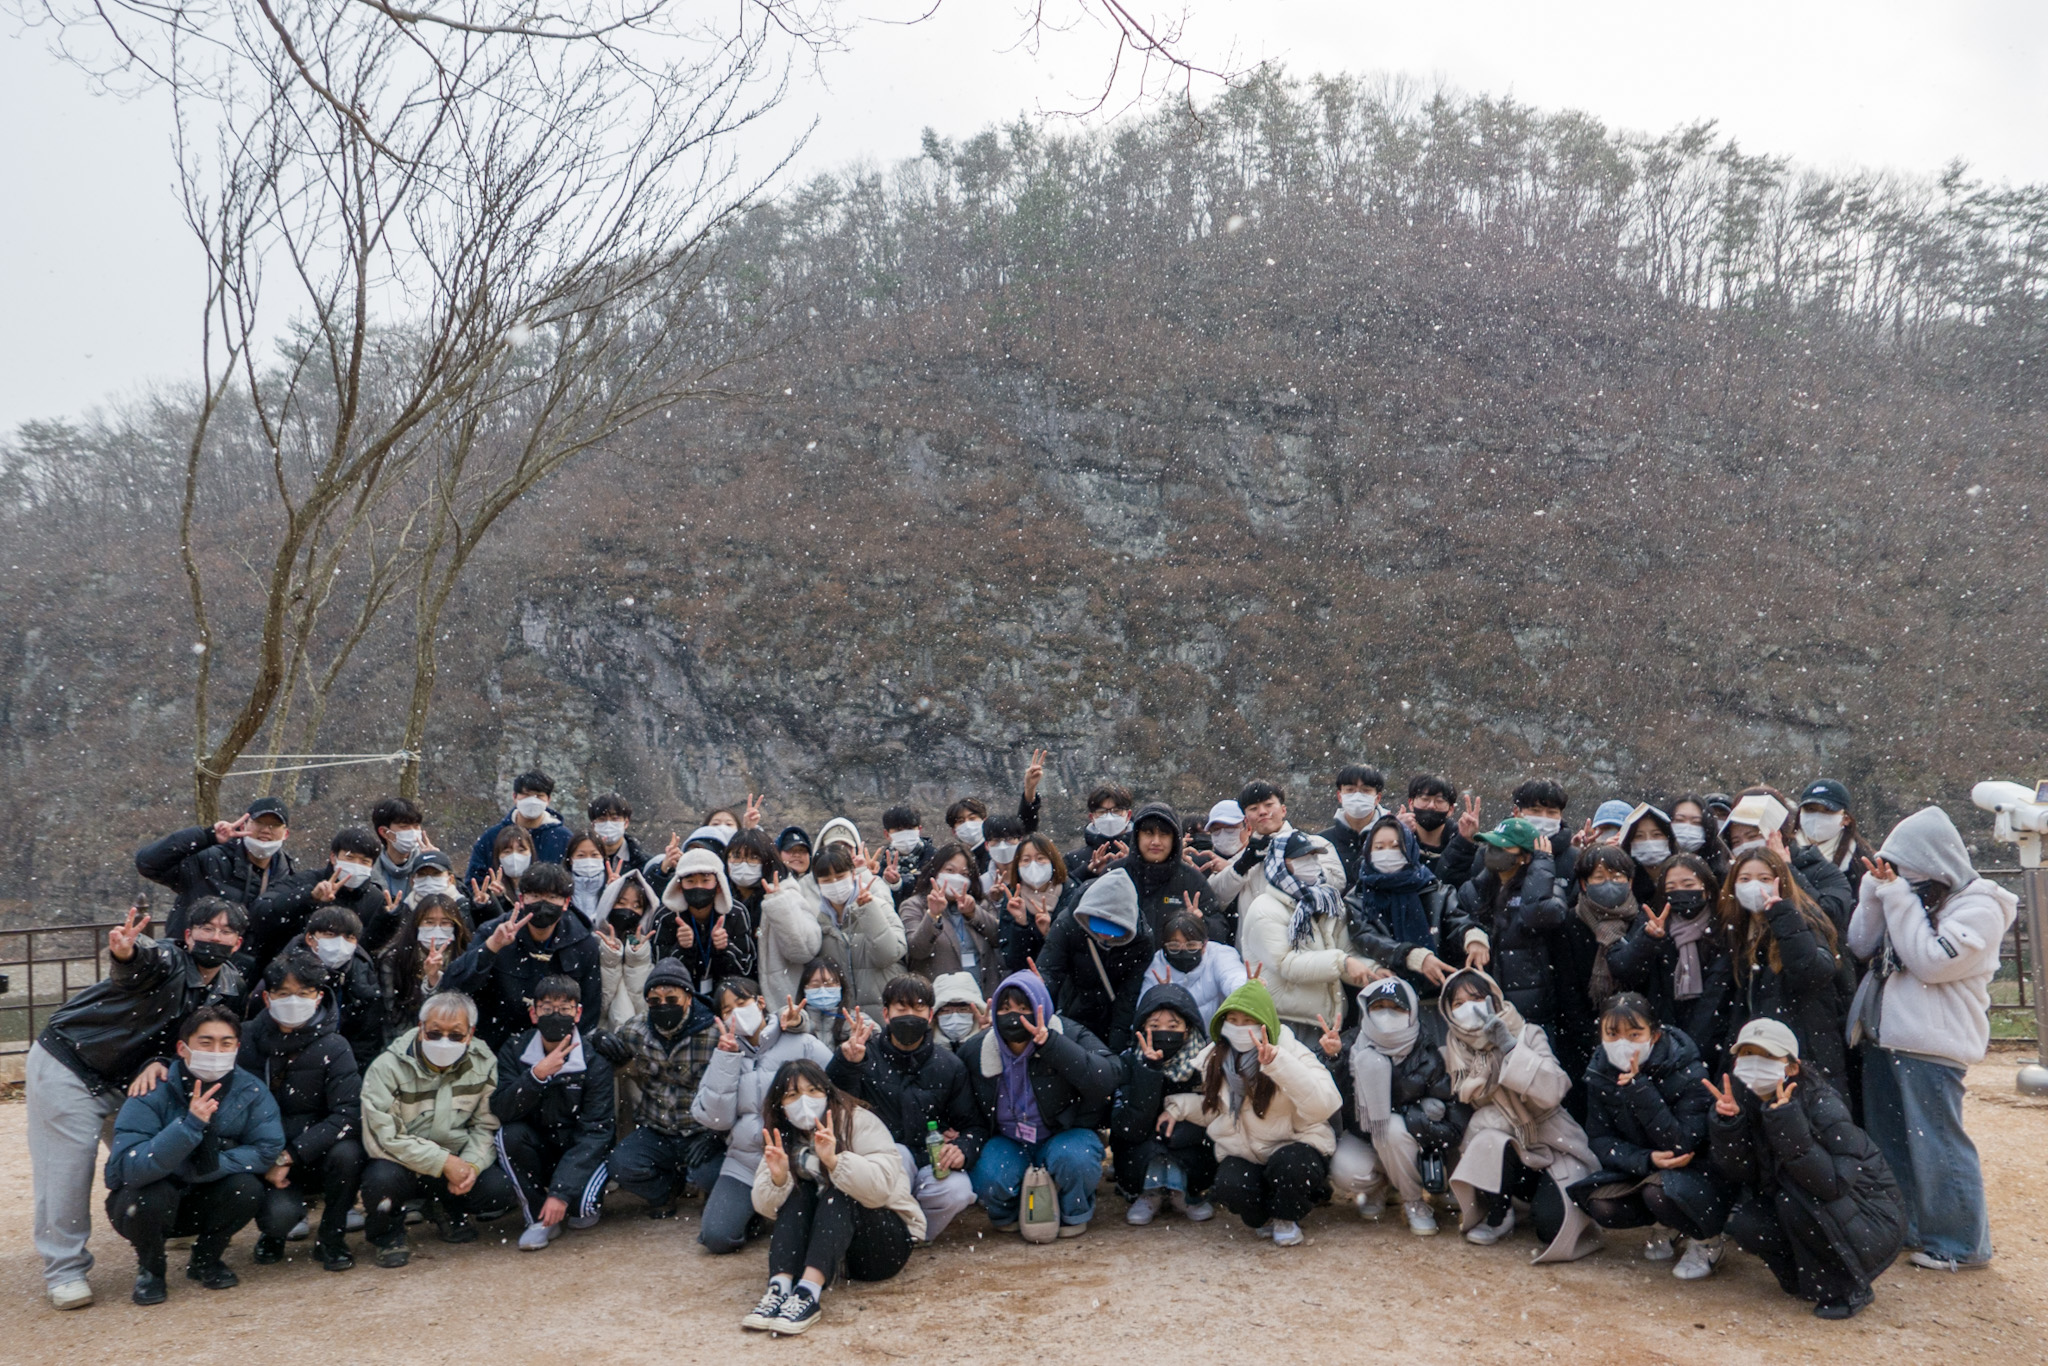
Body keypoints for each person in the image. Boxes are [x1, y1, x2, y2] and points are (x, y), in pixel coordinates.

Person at [27, 896, 248, 1309]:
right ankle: (65, 1270)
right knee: (68, 1168)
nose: (215, 937)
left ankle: (163, 1222)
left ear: (237, 943)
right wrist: (125, 952)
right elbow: (141, 962)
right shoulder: (168, 959)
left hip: (135, 1077)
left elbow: (194, 1038)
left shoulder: (230, 986)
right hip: (74, 1063)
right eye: (207, 928)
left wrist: (159, 1060)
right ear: (188, 935)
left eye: (225, 931)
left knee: (153, 1151)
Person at [1848, 806, 2014, 1272]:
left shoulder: (1980, 906)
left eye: (1904, 865)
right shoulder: (1908, 894)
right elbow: (1860, 945)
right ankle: (1908, 1226)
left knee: (1938, 1145)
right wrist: (1873, 893)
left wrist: (1897, 897)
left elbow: (1931, 962)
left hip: (1934, 1043)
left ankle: (1961, 1244)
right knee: (1891, 1142)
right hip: (1884, 1035)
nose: (1896, 873)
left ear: (1931, 861)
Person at [1708, 1017, 1904, 1318]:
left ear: (1791, 1067)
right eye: (1746, 1054)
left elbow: (1833, 1184)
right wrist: (1729, 1125)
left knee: (1794, 1201)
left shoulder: (1822, 1103)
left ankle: (1849, 1286)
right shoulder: (1744, 1099)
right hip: (1811, 1201)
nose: (1755, 1063)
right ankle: (1803, 1280)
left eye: (1767, 1055)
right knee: (1749, 1222)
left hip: (1870, 1216)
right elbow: (1741, 1173)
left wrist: (1786, 1121)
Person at [103, 1005, 284, 1304]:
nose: (216, 1052)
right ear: (182, 1048)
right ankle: (151, 1268)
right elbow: (129, 1166)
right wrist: (188, 1127)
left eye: (226, 1043)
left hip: (207, 1192)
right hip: (152, 1198)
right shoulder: (151, 1088)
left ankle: (206, 1259)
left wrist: (208, 1165)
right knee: (148, 1196)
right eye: (206, 1043)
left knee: (247, 1188)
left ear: (237, 1048)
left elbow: (266, 1149)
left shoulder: (250, 1089)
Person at [742, 1060, 924, 1336]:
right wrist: (778, 1179)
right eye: (792, 1095)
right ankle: (779, 1287)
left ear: (827, 1092)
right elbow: (766, 1208)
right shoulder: (783, 1136)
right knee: (795, 1190)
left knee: (840, 1190)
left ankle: (808, 1293)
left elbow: (880, 1191)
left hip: (879, 1247)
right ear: (780, 1105)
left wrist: (835, 1162)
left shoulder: (858, 1121)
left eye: (813, 1090)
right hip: (824, 1249)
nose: (804, 1100)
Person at [1439, 968, 1603, 1262]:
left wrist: (1510, 1047)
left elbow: (1555, 1089)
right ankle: (1500, 1212)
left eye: (1476, 998)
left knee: (1551, 1226)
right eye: (1458, 1003)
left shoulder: (1528, 1033)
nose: (1468, 1009)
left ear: (1493, 998)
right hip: (1513, 1151)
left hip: (1553, 1141)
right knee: (1485, 1128)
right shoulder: (1457, 1049)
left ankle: (1539, 1202)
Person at [1161, 980, 1341, 1247]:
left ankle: (1287, 1215)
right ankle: (1265, 1216)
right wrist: (1179, 1107)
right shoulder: (1217, 1059)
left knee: (1291, 1167)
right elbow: (1218, 1111)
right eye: (1232, 1020)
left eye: (1248, 1020)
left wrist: (1278, 1064)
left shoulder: (1292, 1051)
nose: (1239, 1027)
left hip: (1295, 1144)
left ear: (1264, 1023)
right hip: (1246, 1150)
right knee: (1229, 1185)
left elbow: (1324, 1105)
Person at [1566, 993, 1733, 1280]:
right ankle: (1666, 1225)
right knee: (1602, 1205)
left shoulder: (1687, 1069)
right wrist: (1646, 1159)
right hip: (1645, 1167)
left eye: (1634, 1034)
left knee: (1660, 1194)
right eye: (1612, 1034)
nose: (1623, 1043)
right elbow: (1600, 1139)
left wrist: (1639, 1088)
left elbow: (1681, 1144)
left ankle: (1707, 1241)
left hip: (1695, 1171)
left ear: (1654, 1035)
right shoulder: (1600, 1072)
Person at [358, 990, 516, 1267]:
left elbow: (486, 1124)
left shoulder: (483, 1062)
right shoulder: (386, 1067)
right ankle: (388, 1234)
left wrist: (471, 1165)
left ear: (470, 1034)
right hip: (402, 1161)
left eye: (455, 1035)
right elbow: (383, 1137)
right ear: (420, 1028)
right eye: (434, 1033)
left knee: (497, 1188)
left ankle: (447, 1208)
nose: (444, 1042)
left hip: (455, 1158)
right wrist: (442, 1162)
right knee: (381, 1180)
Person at [963, 970, 1120, 1237]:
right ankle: (1010, 1211)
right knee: (989, 1172)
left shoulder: (1068, 1033)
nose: (1014, 1017)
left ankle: (1073, 1211)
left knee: (1076, 1160)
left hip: (1063, 1134)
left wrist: (1051, 1045)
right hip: (1008, 1140)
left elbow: (1107, 1076)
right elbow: (956, 1094)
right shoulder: (977, 1048)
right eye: (1005, 1009)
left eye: (1024, 1008)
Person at [827, 975, 984, 1240]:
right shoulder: (864, 1054)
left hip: (929, 1157)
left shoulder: (949, 1065)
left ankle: (914, 1236)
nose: (910, 1016)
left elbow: (973, 1126)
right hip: (881, 1157)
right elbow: (838, 1105)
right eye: (901, 1008)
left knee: (957, 1190)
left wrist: (963, 1149)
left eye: (918, 1008)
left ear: (930, 1015)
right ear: (886, 1014)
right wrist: (847, 1063)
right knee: (898, 1157)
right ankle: (888, 1234)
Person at [240, 947, 364, 1271]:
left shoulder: (335, 1046)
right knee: (279, 1217)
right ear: (267, 998)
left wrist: (292, 1155)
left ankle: (332, 1236)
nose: (293, 1001)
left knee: (349, 1153)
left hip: (314, 1151)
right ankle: (272, 1234)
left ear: (318, 996)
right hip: (265, 1153)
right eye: (284, 993)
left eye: (303, 993)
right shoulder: (244, 1039)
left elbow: (348, 1114)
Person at [693, 976, 835, 1251]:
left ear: (760, 1002)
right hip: (745, 1160)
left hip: (797, 1155)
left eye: (741, 1002)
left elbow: (835, 1086)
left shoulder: (801, 1042)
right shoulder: (723, 1053)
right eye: (727, 1009)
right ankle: (754, 1217)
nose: (736, 1012)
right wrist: (727, 1060)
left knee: (813, 1230)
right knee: (716, 1237)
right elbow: (717, 1120)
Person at [1329, 978, 1464, 1236]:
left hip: (1411, 1144)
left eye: (1397, 1007)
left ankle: (1414, 1202)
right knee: (1345, 1169)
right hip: (1364, 1138)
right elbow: (1330, 1095)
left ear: (1411, 1012)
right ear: (1366, 1009)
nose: (1387, 1014)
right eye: (1379, 1007)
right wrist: (1332, 1058)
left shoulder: (1426, 1051)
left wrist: (1411, 1116)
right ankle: (1380, 1185)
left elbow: (1452, 1122)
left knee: (1391, 1128)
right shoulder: (1349, 1043)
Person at [491, 974, 617, 1250]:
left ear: (578, 1013)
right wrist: (536, 1076)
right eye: (547, 1009)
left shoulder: (594, 1060)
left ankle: (565, 1198)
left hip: (577, 1148)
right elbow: (501, 1108)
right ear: (533, 1013)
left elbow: (596, 1132)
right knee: (507, 1135)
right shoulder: (515, 1049)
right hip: (539, 1146)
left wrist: (561, 1192)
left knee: (582, 1211)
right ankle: (538, 1217)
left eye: (564, 1009)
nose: (555, 1015)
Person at [1719, 843, 1849, 1083]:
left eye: (1764, 878)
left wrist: (1783, 915)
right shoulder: (1738, 930)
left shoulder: (1804, 919)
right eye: (1745, 879)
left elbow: (1814, 972)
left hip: (1806, 1054)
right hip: (1756, 1052)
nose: (1754, 886)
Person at [607, 961, 726, 1221]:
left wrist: (717, 1135)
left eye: (671, 999)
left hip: (701, 1131)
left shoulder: (716, 1032)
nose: (663, 1005)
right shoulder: (636, 1030)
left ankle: (710, 1190)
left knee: (712, 1175)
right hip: (657, 1128)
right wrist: (598, 1040)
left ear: (688, 998)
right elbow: (609, 1049)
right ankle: (666, 1190)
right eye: (654, 1001)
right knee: (621, 1165)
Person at [1239, 830, 1382, 1042]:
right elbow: (1286, 964)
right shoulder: (1264, 908)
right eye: (1303, 858)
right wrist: (1342, 962)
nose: (1312, 863)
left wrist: (1374, 972)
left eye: (1314, 856)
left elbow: (1345, 950)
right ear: (1281, 863)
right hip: (1285, 1020)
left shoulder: (1326, 901)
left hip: (1326, 1021)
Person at [442, 862, 603, 1048]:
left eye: (552, 897)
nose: (543, 904)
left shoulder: (582, 943)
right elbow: (453, 986)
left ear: (566, 902)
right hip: (495, 1044)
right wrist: (491, 947)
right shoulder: (494, 931)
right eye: (535, 896)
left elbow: (589, 1008)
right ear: (521, 899)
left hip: (557, 1045)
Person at [1605, 855, 1735, 1074]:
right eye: (1671, 887)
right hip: (1663, 1042)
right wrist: (1649, 939)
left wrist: (1694, 1045)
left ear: (1707, 889)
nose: (1680, 892)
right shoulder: (1653, 922)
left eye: (1688, 885)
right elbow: (1623, 969)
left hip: (1715, 1042)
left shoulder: (1725, 929)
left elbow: (1717, 994)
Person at [1446, 816, 1568, 1043]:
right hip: (1482, 1010)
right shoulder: (1475, 889)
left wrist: (1541, 866)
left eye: (1503, 847)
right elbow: (1452, 921)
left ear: (1525, 856)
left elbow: (1538, 913)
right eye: (1491, 845)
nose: (1494, 851)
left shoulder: (1549, 889)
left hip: (1532, 1014)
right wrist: (1471, 934)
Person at [1109, 981, 1217, 1224]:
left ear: (1187, 1029)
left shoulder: (1205, 1062)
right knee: (1149, 1139)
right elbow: (1129, 1125)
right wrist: (1150, 1071)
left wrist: (1179, 1118)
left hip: (1188, 1139)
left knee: (1176, 1135)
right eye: (1154, 1026)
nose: (1164, 1032)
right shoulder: (1128, 1061)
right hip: (1142, 1141)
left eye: (1173, 1026)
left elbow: (1215, 1111)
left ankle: (1185, 1192)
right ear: (1141, 1028)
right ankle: (1150, 1192)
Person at [1032, 867, 1157, 1051]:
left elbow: (1129, 996)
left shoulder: (1142, 940)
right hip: (1072, 1009)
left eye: (1115, 929)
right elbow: (1050, 970)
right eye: (1099, 925)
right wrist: (1039, 988)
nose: (1105, 935)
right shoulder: (1067, 924)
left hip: (1112, 1013)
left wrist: (1117, 1048)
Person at [136, 797, 297, 936]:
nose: (266, 830)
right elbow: (148, 864)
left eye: (275, 825)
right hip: (192, 957)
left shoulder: (288, 878)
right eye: (259, 822)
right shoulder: (208, 860)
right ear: (243, 826)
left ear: (286, 834)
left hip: (246, 961)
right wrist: (207, 836)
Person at [245, 826, 394, 972]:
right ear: (333, 857)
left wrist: (389, 919)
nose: (356, 866)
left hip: (346, 977)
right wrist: (309, 897)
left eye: (364, 861)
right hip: (294, 972)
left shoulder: (375, 898)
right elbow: (261, 913)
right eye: (350, 858)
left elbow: (367, 947)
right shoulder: (304, 881)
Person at [1201, 781, 1345, 931]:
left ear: (1283, 810)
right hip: (1254, 940)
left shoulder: (1315, 844)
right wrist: (1241, 867)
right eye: (1254, 808)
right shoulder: (1243, 857)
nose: (1262, 812)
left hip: (1305, 936)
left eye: (1269, 805)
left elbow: (1338, 885)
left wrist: (1302, 865)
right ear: (1246, 819)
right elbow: (1214, 898)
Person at [1345, 815, 1457, 994]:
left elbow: (1456, 919)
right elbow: (1367, 938)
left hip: (1441, 992)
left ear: (1409, 848)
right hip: (1386, 994)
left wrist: (1472, 935)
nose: (1387, 853)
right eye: (1379, 847)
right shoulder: (1358, 897)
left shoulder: (1433, 888)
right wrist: (1410, 955)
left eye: (1395, 846)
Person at [1722, 789, 1854, 935]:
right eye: (1736, 841)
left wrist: (1787, 870)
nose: (1745, 846)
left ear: (1777, 833)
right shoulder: (1733, 877)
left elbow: (1830, 916)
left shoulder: (1818, 868)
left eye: (1752, 836)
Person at [1094, 802, 1224, 941]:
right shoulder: (1115, 874)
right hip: (1123, 953)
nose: (1156, 841)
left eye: (1164, 834)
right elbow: (1090, 926)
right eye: (1148, 833)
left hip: (1175, 954)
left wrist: (1200, 923)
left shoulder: (1192, 879)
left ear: (1174, 840)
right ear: (1137, 836)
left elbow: (1220, 931)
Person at [801, 843, 907, 1014]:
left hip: (886, 1010)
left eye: (840, 876)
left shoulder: (879, 906)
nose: (835, 884)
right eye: (826, 880)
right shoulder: (819, 923)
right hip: (846, 1020)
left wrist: (867, 909)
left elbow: (889, 954)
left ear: (852, 874)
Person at [288, 905, 390, 1071]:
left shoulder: (363, 978)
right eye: (330, 935)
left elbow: (365, 1042)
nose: (340, 943)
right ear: (310, 939)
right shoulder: (287, 974)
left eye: (349, 937)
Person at [902, 841, 1000, 995]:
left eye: (964, 874)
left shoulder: (980, 903)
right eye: (950, 870)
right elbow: (917, 950)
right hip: (941, 997)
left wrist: (973, 913)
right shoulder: (914, 905)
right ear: (935, 872)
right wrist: (933, 915)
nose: (956, 878)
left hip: (982, 995)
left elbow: (998, 938)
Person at [654, 850, 757, 996]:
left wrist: (725, 948)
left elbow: (746, 970)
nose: (698, 886)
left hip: (726, 997)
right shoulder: (666, 916)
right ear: (679, 886)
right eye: (690, 881)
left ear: (718, 884)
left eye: (705, 880)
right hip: (682, 996)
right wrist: (682, 949)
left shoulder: (735, 913)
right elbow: (660, 973)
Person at [376, 894, 473, 1034]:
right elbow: (392, 1012)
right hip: (407, 1032)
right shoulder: (394, 958)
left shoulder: (465, 957)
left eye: (445, 923)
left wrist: (434, 980)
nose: (437, 929)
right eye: (429, 922)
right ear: (417, 924)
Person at [462, 769, 572, 889]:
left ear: (548, 800)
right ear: (515, 797)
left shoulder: (563, 838)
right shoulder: (492, 837)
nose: (533, 801)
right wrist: (490, 895)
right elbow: (474, 880)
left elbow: (573, 880)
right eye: (526, 795)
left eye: (539, 796)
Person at [1143, 908, 1247, 1027]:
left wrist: (1247, 986)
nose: (1183, 951)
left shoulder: (1220, 955)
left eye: (1191, 945)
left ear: (1204, 944)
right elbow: (1144, 1011)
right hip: (1174, 1037)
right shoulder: (1157, 964)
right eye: (1174, 946)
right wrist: (1164, 996)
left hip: (1214, 1036)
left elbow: (1233, 977)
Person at [994, 834, 1079, 972]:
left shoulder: (1071, 893)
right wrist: (1021, 924)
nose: (1033, 865)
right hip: (1028, 979)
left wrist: (1049, 933)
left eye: (1040, 858)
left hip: (1065, 979)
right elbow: (1012, 960)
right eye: (1026, 860)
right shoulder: (1013, 899)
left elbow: (1077, 951)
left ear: (1053, 860)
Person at [593, 869, 658, 1034]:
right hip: (600, 1034)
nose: (628, 910)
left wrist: (637, 959)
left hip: (638, 1036)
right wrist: (610, 958)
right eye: (621, 903)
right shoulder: (592, 943)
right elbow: (600, 1005)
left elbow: (643, 1005)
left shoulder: (649, 946)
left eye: (637, 906)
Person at [1796, 780, 1879, 900]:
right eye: (1810, 809)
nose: (1817, 816)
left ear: (1846, 819)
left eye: (1827, 810)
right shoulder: (1781, 847)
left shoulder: (1861, 864)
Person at [1318, 763, 1388, 889]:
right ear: (1340, 796)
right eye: (1350, 790)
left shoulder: (1393, 839)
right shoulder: (1322, 842)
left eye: (1365, 790)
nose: (1357, 796)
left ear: (1377, 798)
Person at [1397, 773, 1466, 879]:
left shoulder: (1462, 843)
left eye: (1439, 801)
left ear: (1451, 809)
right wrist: (1395, 832)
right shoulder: (1396, 836)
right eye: (1425, 799)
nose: (1431, 806)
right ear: (1411, 803)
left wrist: (1467, 839)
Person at [1064, 782, 1137, 879]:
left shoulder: (1144, 853)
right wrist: (1087, 871)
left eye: (1116, 811)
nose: (1109, 818)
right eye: (1102, 812)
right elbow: (1064, 887)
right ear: (1092, 818)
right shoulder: (1073, 859)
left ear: (1128, 815)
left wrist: (1134, 864)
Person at [722, 829, 788, 934]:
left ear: (767, 860)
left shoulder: (785, 893)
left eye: (753, 857)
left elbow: (797, 940)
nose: (743, 864)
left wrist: (777, 904)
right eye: (736, 856)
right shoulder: (720, 896)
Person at [368, 797, 430, 903]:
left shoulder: (427, 863)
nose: (413, 832)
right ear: (384, 832)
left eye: (416, 826)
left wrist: (438, 865)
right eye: (404, 827)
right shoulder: (369, 870)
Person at [586, 792, 650, 880]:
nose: (608, 824)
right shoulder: (582, 860)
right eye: (602, 819)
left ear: (626, 823)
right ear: (593, 825)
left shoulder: (643, 863)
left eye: (614, 818)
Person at [880, 805, 936, 895]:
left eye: (910, 828)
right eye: (898, 829)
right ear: (887, 834)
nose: (905, 834)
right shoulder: (883, 866)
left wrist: (900, 884)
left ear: (919, 830)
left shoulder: (935, 859)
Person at [931, 972, 987, 1053]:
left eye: (963, 1009)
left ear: (977, 1011)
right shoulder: (924, 1048)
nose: (955, 1017)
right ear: (935, 1015)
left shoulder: (992, 1043)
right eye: (946, 1010)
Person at [565, 830, 613, 926]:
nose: (588, 860)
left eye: (594, 855)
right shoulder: (560, 889)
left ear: (603, 857)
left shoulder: (612, 887)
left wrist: (614, 889)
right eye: (581, 855)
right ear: (570, 860)